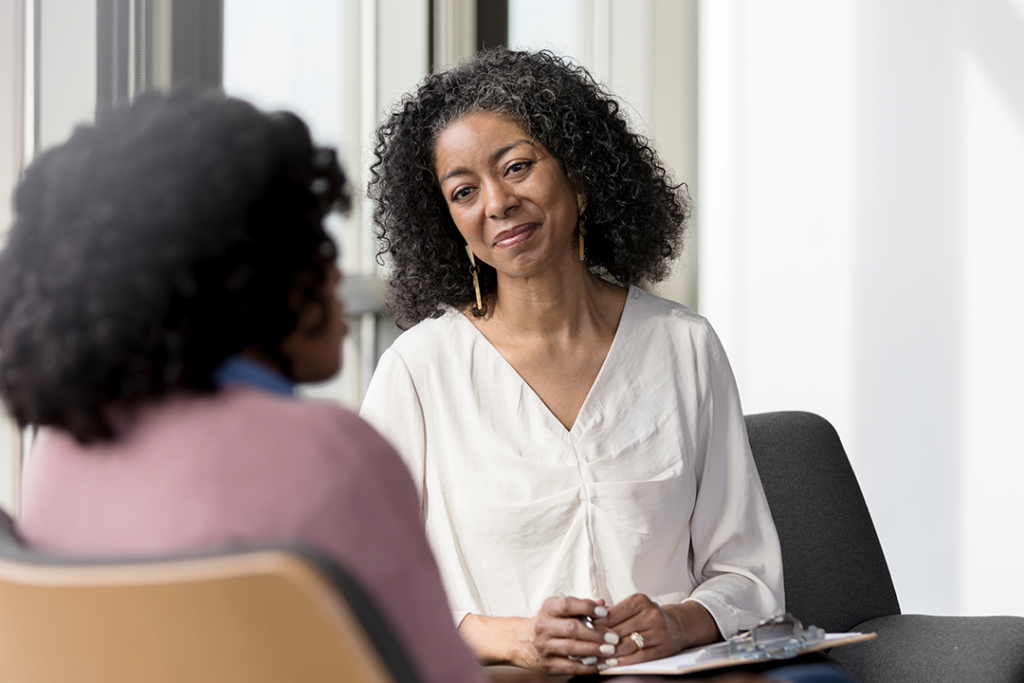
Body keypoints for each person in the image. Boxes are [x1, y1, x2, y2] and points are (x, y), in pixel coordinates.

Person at [0, 90, 488, 683]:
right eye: (313, 242)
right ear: (247, 275)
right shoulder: (330, 456)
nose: (334, 271)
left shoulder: (61, 450)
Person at [360, 49, 791, 677]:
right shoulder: (418, 372)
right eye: (463, 191)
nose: (498, 203)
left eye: (518, 167)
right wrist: (512, 638)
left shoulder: (684, 347)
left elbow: (747, 575)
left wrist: (678, 622)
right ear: (447, 221)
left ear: (581, 174)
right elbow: (368, 584)